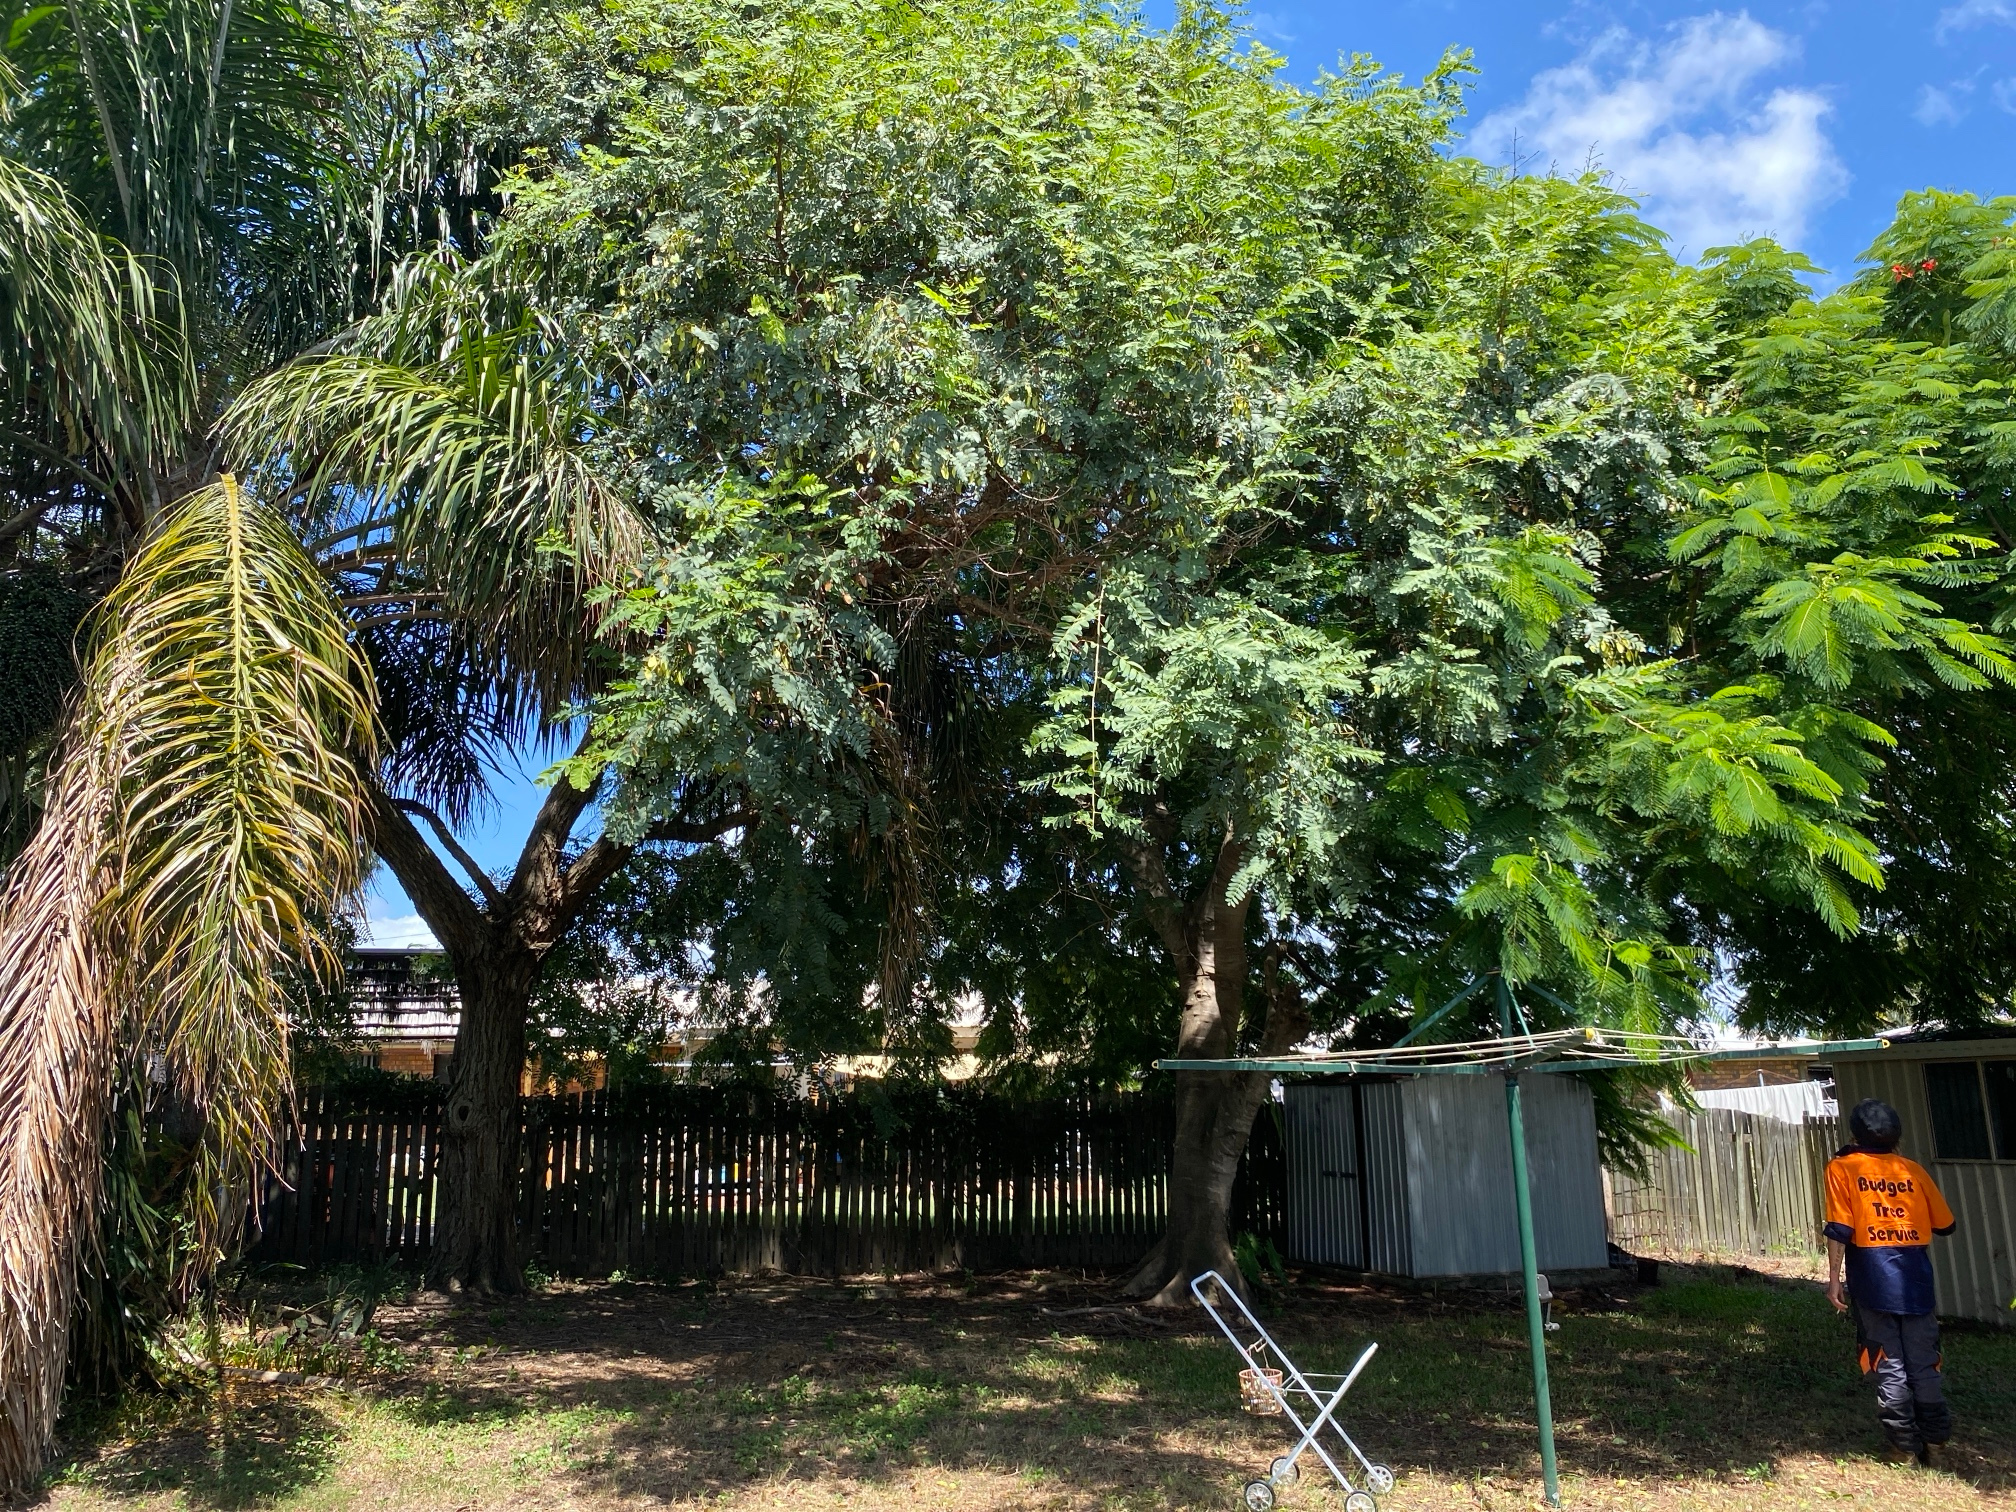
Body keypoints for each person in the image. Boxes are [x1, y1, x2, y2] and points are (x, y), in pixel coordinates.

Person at [1823, 1097, 1958, 1467]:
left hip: (1872, 1274)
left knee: (1887, 1359)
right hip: (1915, 1276)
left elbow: (1839, 1228)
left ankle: (1903, 1449)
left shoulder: (1842, 1168)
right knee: (1924, 1360)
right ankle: (1937, 1447)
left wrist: (1834, 1279)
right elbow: (1946, 1224)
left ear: (1854, 1133)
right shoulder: (1912, 1170)